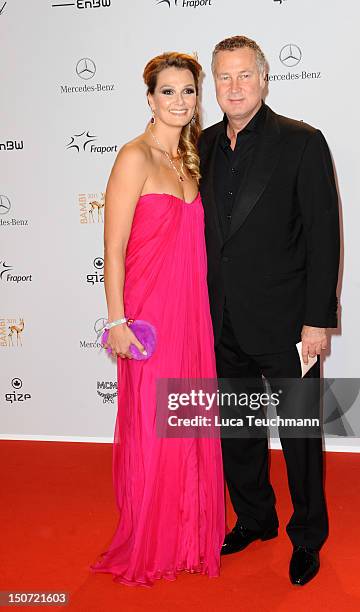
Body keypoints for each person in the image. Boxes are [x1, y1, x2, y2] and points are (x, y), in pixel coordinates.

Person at [199, 36, 340, 586]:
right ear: (215, 85)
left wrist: (317, 319)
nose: (234, 88)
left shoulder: (301, 143)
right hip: (222, 319)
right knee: (238, 431)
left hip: (288, 323)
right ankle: (255, 519)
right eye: (224, 78)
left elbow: (324, 238)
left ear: (263, 79)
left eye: (243, 76)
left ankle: (307, 537)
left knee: (301, 436)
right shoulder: (203, 146)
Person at [90, 52, 225, 587]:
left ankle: (188, 536)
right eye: (167, 91)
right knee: (153, 427)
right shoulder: (134, 157)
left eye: (188, 91)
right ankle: (153, 539)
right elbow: (113, 248)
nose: (179, 101)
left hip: (193, 314)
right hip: (149, 317)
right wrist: (116, 320)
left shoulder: (192, 160)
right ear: (149, 99)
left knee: (187, 422)